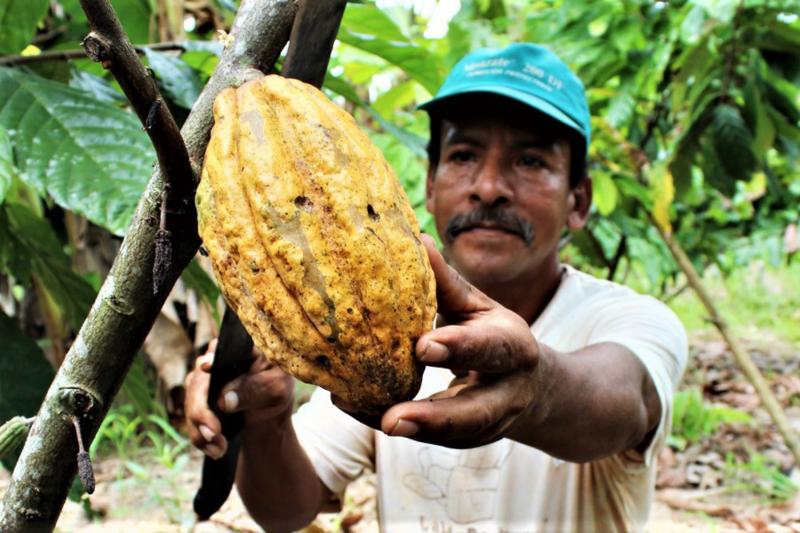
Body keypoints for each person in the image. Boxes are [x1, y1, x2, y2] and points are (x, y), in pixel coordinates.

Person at [185, 43, 688, 532]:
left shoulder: (630, 321)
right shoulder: (380, 326)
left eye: (530, 161)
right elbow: (287, 511)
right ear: (427, 184)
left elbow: (624, 402)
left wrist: (536, 389)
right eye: (465, 155)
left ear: (579, 200)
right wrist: (270, 420)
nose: (489, 187)